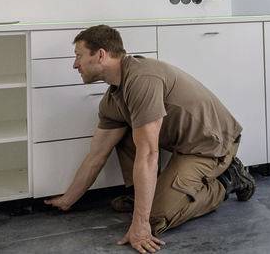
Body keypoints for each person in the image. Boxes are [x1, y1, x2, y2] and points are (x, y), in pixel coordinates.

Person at [44, 24, 255, 253]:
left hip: (211, 146)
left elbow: (148, 154)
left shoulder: (142, 79)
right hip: (182, 145)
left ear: (101, 55)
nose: (75, 64)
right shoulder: (112, 100)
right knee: (123, 134)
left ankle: (229, 179)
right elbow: (97, 155)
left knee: (156, 217)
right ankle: (142, 197)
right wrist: (68, 200)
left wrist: (141, 224)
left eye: (79, 56)